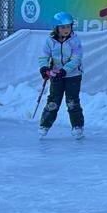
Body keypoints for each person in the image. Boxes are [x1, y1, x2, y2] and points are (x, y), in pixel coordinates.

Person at [38, 12, 85, 140]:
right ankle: (45, 125)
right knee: (53, 101)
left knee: (72, 101)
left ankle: (77, 126)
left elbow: (76, 59)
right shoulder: (50, 41)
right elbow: (44, 56)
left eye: (68, 27)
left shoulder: (75, 40)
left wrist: (64, 71)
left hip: (73, 75)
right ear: (56, 28)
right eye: (62, 27)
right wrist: (44, 68)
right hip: (55, 75)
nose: (66, 30)